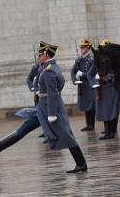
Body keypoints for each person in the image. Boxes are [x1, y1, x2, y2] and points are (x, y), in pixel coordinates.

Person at [37, 41, 87, 173]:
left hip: (51, 106)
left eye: (40, 54)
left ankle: (81, 163)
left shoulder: (48, 70)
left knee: (66, 135)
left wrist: (52, 113)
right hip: (50, 104)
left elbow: (52, 92)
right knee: (66, 134)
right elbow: (60, 83)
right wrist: (41, 91)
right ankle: (81, 163)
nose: (38, 56)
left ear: (46, 55)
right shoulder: (52, 67)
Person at [92, 39, 120, 140]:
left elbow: (116, 74)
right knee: (104, 110)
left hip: (111, 88)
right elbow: (90, 73)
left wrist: (108, 77)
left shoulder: (114, 61)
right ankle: (107, 132)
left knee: (111, 110)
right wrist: (94, 82)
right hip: (100, 89)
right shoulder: (99, 59)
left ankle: (112, 131)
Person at [71, 38, 96, 131]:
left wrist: (82, 74)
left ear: (88, 48)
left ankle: (91, 125)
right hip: (82, 85)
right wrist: (75, 79)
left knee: (91, 106)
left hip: (90, 84)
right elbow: (73, 71)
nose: (81, 49)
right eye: (81, 48)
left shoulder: (92, 59)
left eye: (83, 48)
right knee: (85, 106)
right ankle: (88, 124)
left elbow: (92, 73)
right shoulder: (79, 60)